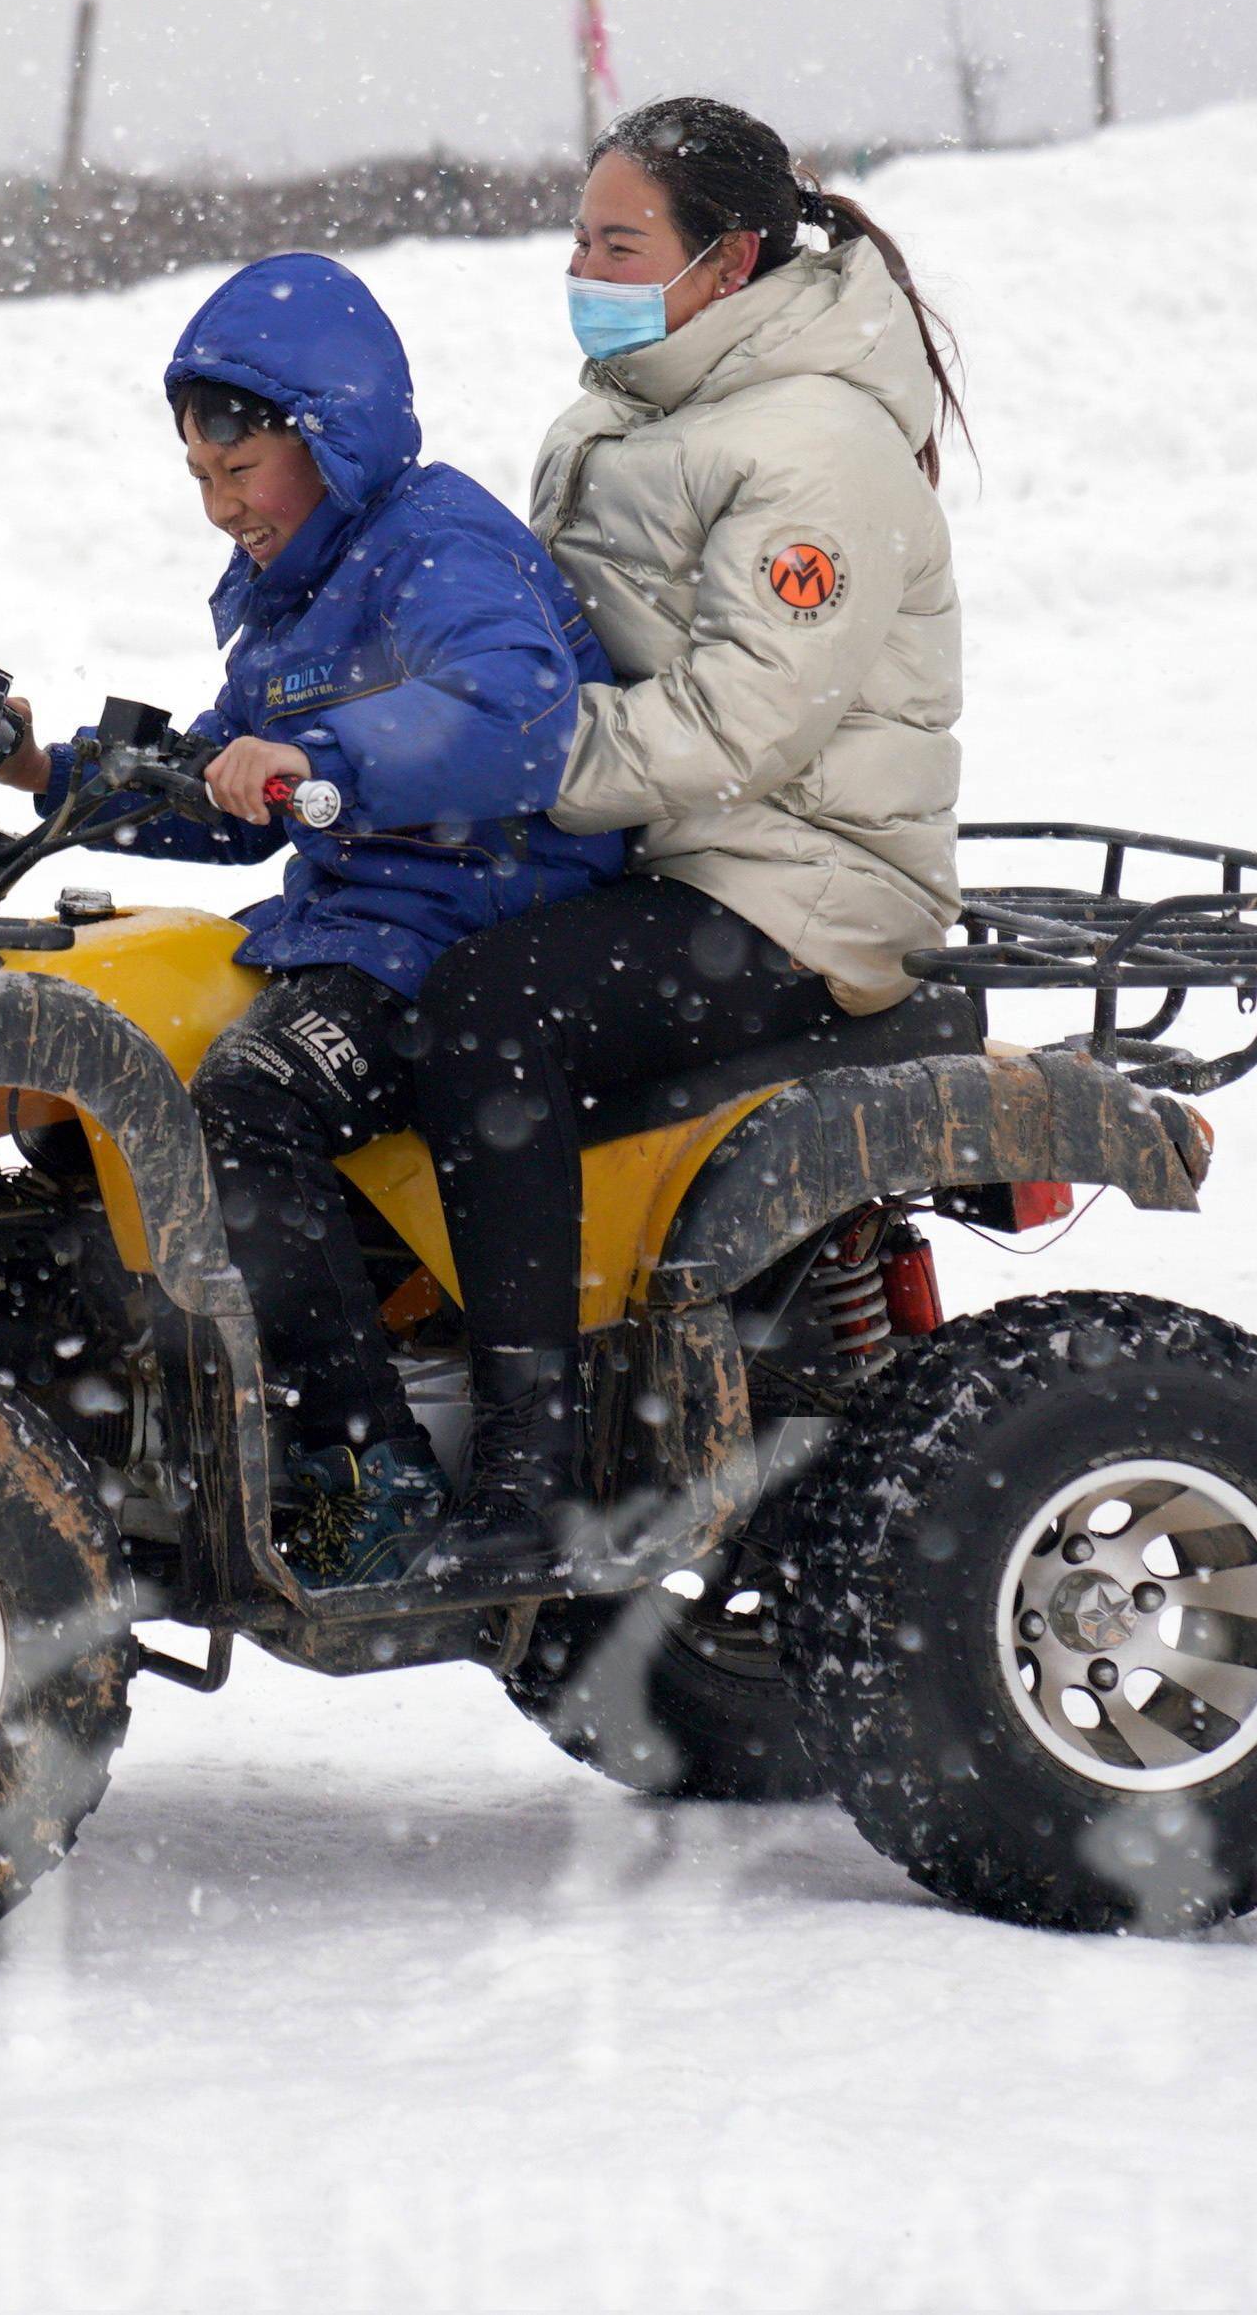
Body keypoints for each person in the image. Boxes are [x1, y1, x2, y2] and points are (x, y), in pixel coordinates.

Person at [395, 97, 972, 1587]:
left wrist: (510, 762)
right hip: (657, 853)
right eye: (581, 231)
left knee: (489, 1012)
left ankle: (531, 1457)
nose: (580, 261)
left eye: (617, 238)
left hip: (800, 879)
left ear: (727, 259)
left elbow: (736, 727)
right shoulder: (616, 412)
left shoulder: (819, 447)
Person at [0, 251, 625, 1583]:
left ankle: (364, 1460)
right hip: (346, 932)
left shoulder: (440, 549)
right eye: (202, 483)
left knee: (246, 1103)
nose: (223, 508)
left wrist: (324, 756)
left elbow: (512, 722)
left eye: (240, 474)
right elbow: (222, 790)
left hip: (460, 930)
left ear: (328, 436)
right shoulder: (296, 595)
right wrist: (51, 775)